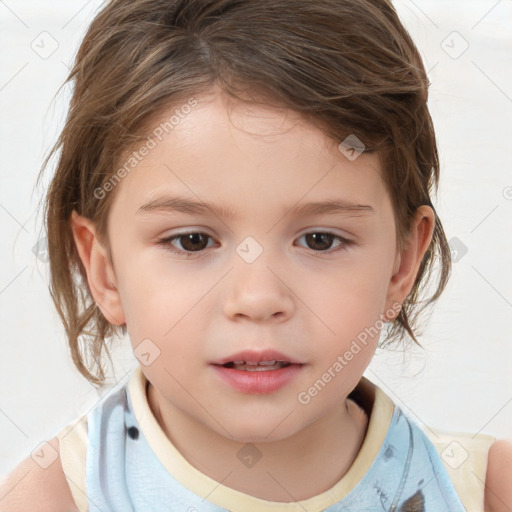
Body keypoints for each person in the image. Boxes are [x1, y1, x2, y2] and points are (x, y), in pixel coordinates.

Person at [1, 0, 511, 510]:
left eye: (320, 240)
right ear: (105, 271)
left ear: (402, 264)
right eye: (192, 241)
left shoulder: (486, 491)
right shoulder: (52, 498)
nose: (258, 298)